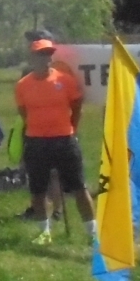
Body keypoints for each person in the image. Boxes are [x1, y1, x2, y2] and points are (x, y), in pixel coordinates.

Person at [13, 38, 96, 245]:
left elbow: (77, 106)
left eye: (49, 54)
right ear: (32, 57)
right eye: (41, 54)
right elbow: (23, 112)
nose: (46, 58)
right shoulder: (23, 85)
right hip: (36, 141)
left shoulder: (65, 80)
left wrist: (72, 129)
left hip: (64, 139)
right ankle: (45, 232)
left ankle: (92, 233)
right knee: (38, 190)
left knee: (79, 187)